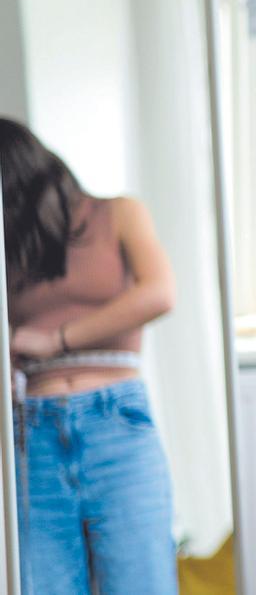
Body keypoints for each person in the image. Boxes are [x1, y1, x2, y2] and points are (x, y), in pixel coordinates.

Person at [1, 117, 177, 594]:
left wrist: (56, 339)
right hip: (29, 432)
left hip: (117, 421)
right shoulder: (13, 246)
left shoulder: (119, 212)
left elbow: (160, 294)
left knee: (143, 584)